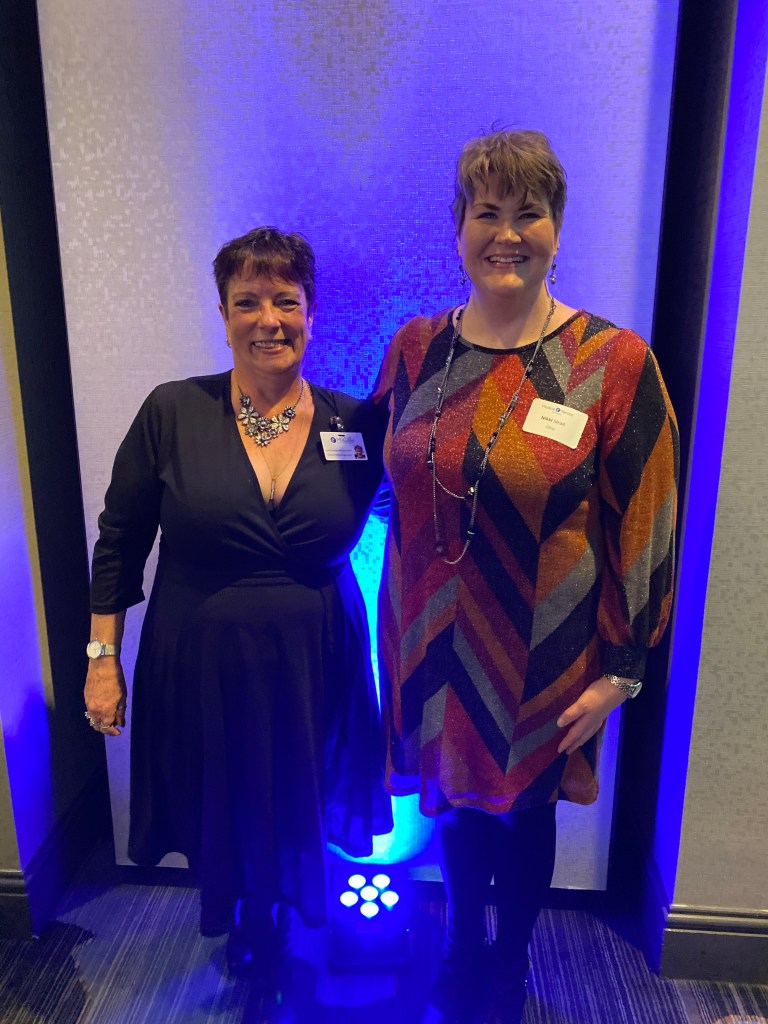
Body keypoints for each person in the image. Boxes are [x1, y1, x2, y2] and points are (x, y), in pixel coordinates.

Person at [372, 130, 679, 1024]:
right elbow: (378, 470)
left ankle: (508, 960)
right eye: (487, 212)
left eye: (528, 213)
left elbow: (649, 516)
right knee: (458, 806)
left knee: (523, 809)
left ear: (557, 229)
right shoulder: (417, 348)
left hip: (546, 643)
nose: (506, 234)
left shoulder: (611, 361)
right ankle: (463, 946)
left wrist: (623, 668)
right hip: (429, 632)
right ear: (459, 228)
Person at [84, 227, 392, 1001]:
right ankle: (250, 919)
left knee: (295, 792)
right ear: (222, 315)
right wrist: (101, 661)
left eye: (286, 300)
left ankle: (277, 918)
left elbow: (420, 515)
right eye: (247, 302)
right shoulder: (172, 411)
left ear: (312, 313)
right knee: (227, 795)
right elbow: (119, 540)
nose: (268, 320)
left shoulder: (356, 423)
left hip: (316, 655)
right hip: (202, 655)